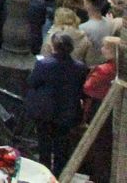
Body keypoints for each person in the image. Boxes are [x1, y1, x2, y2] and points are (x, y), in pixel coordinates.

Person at [24, 32, 90, 172]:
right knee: (61, 147)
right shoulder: (80, 67)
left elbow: (32, 82)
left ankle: (45, 171)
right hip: (67, 111)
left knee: (44, 145)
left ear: (53, 46)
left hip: (45, 111)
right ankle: (59, 174)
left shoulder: (43, 64)